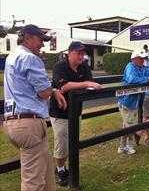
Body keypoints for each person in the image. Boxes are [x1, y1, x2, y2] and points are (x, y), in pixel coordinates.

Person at [3, 24, 67, 191]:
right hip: (29, 124)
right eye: (40, 40)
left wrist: (51, 90)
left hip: (12, 123)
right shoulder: (30, 58)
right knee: (34, 183)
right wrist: (52, 90)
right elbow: (43, 92)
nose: (42, 44)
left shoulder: (12, 57)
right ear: (27, 37)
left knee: (46, 173)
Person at [49, 41, 101, 186]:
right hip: (59, 112)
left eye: (83, 53)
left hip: (76, 111)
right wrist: (86, 84)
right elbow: (64, 86)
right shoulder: (60, 66)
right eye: (78, 53)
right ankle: (60, 169)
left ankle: (67, 167)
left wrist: (87, 83)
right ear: (69, 53)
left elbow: (90, 81)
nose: (82, 56)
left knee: (73, 142)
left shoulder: (83, 66)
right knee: (62, 143)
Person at [118, 49, 149, 154]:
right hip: (127, 100)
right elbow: (131, 79)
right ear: (133, 59)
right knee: (130, 125)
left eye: (143, 58)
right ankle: (128, 146)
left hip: (133, 101)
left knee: (126, 125)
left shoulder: (142, 68)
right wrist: (147, 79)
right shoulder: (130, 67)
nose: (142, 60)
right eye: (140, 58)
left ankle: (122, 147)